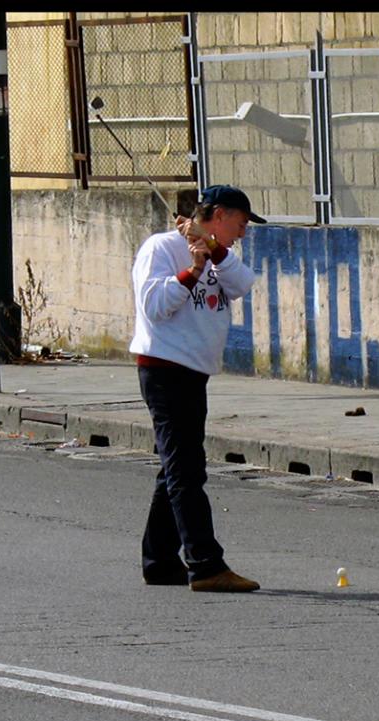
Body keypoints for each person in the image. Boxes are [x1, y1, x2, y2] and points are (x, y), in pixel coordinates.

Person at [130, 185, 267, 592]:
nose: (242, 233)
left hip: (194, 371)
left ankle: (159, 562)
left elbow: (243, 283)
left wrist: (213, 250)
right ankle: (205, 564)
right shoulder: (161, 248)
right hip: (165, 369)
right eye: (239, 223)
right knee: (185, 471)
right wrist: (192, 269)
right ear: (219, 214)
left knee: (178, 467)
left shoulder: (221, 256)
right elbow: (154, 306)